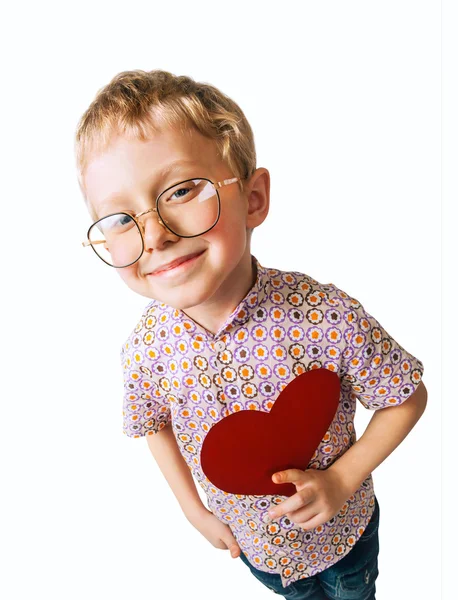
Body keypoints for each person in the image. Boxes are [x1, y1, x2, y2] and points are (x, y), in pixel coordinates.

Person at [75, 69, 427, 599]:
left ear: (254, 198)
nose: (156, 235)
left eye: (181, 190)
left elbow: (406, 396)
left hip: (346, 538)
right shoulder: (146, 351)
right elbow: (151, 423)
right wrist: (194, 512)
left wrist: (341, 479)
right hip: (258, 552)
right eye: (120, 219)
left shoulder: (322, 314)